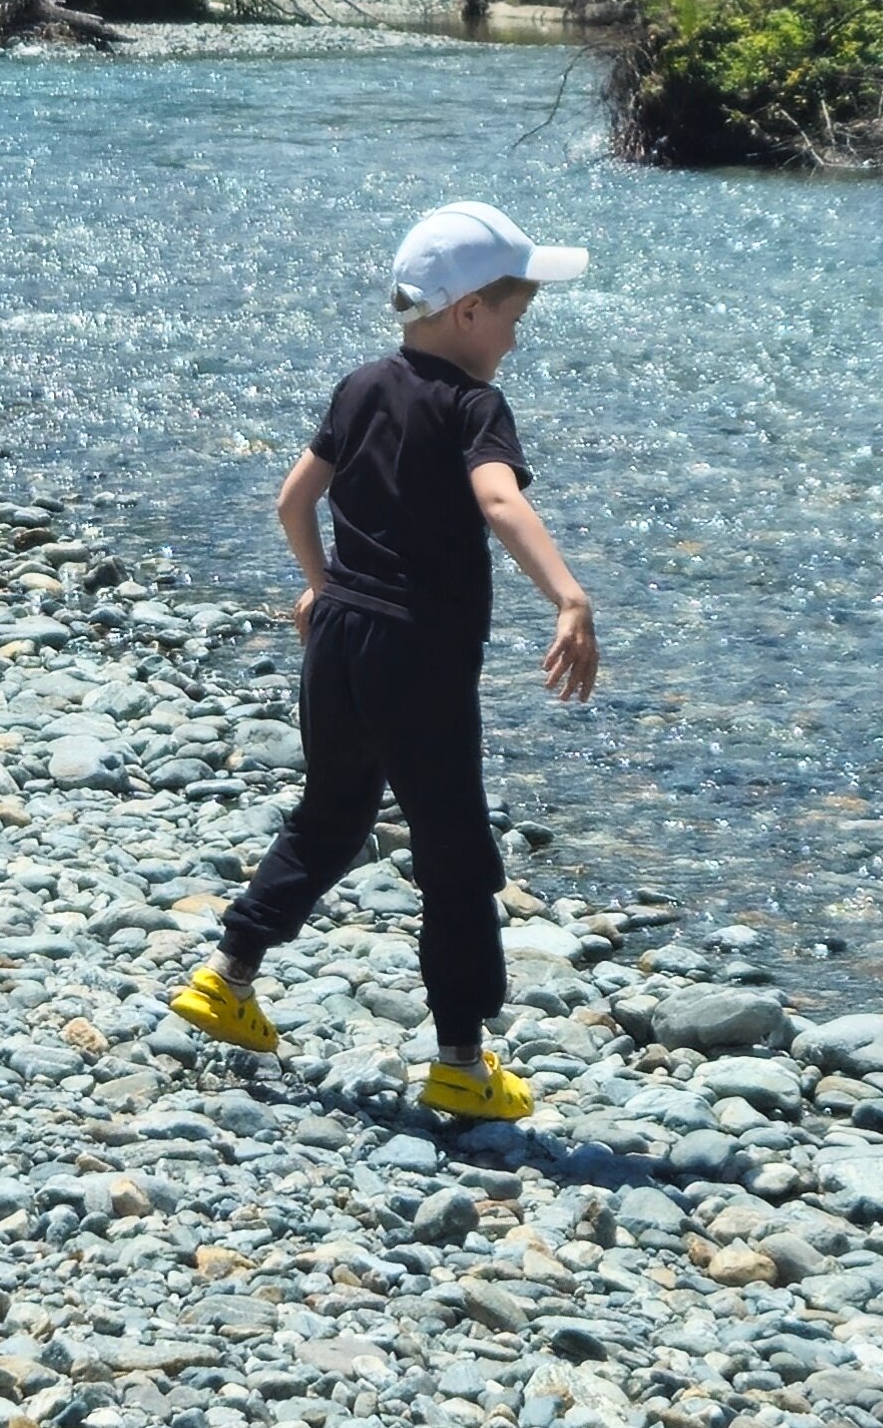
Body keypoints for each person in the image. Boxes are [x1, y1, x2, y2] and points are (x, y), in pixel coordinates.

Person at [174, 198, 598, 1123]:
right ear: (470, 312)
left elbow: (293, 500)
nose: (517, 338)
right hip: (419, 653)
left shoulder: (361, 384)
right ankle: (461, 1063)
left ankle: (227, 977)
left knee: (331, 816)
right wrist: (569, 597)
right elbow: (498, 501)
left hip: (340, 638)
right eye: (516, 316)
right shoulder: (475, 405)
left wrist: (321, 585)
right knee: (455, 853)